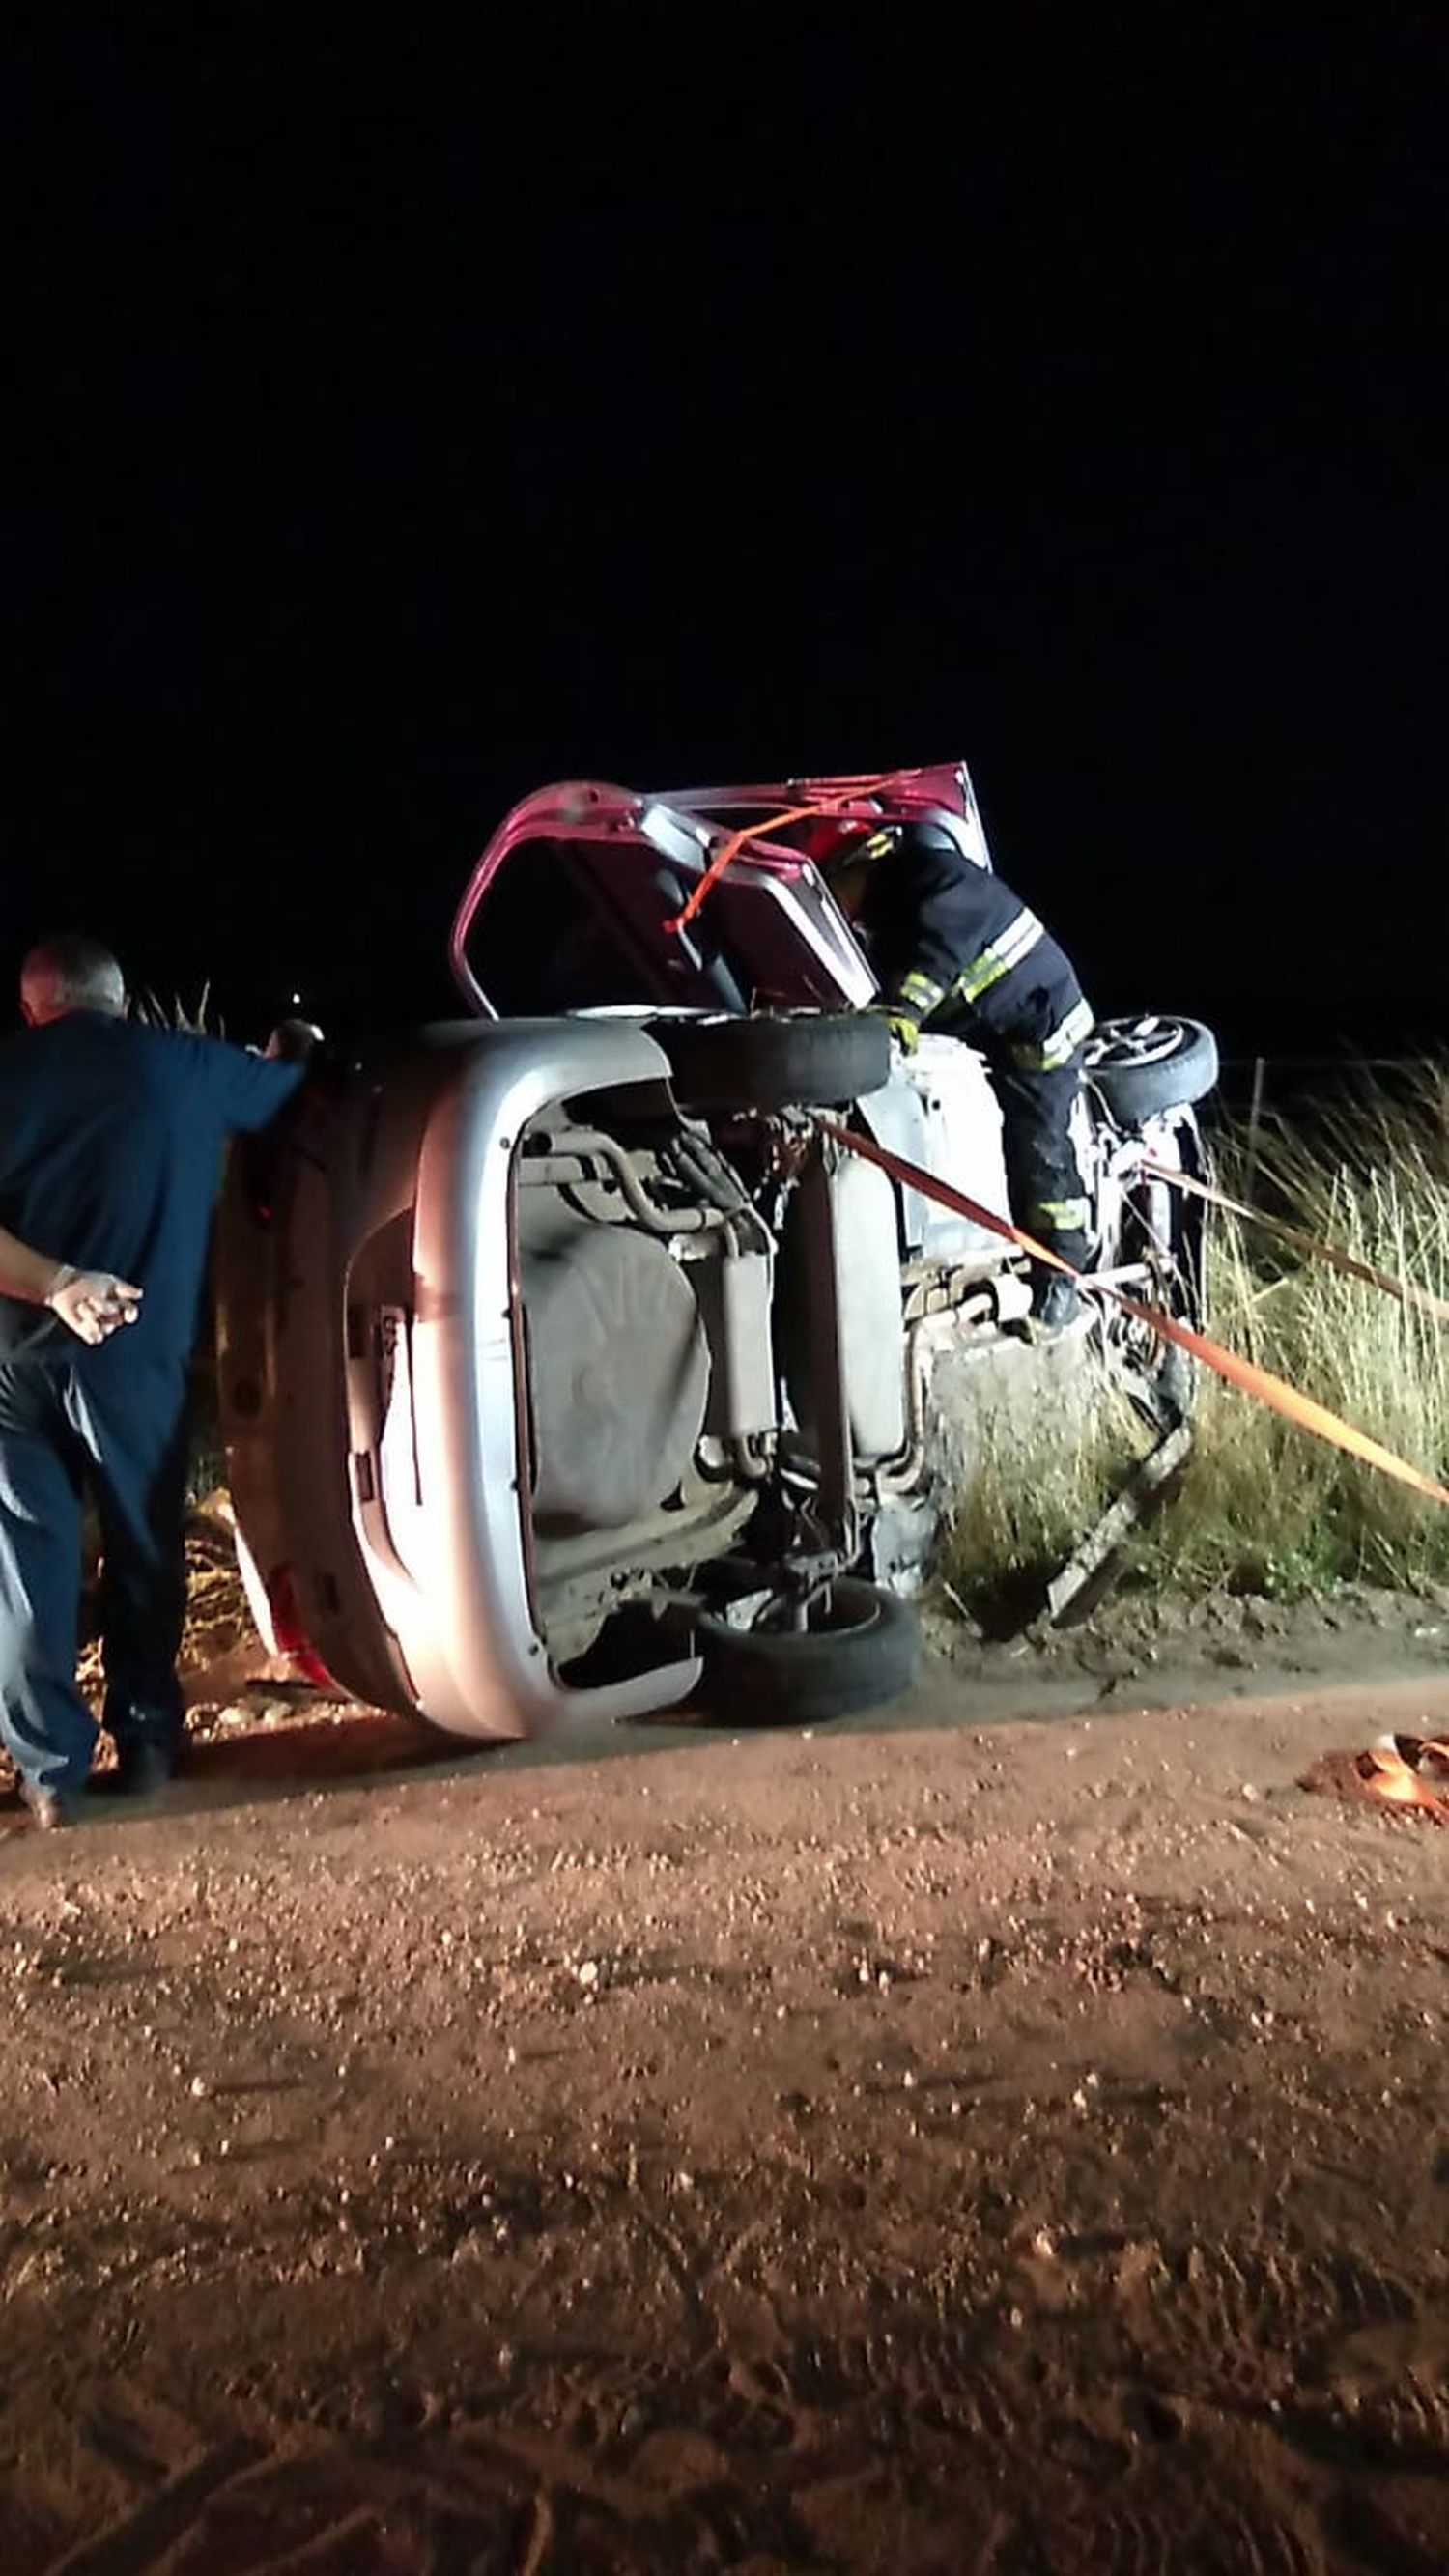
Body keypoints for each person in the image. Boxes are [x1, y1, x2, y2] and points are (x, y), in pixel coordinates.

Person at [0, 935, 307, 1829]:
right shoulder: (180, 1065)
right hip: (134, 1355)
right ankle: (144, 1743)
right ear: (121, 1000)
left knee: (27, 1564)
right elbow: (291, 1092)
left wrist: (56, 1285)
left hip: (13, 1363)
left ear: (32, 1007)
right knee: (144, 1550)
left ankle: (50, 1772)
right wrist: (293, 1046)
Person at [825, 812, 1095, 1330]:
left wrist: (897, 1016)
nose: (837, 900)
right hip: (999, 1026)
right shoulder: (893, 906)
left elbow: (931, 963)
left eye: (836, 883)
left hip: (1042, 1029)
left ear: (867, 860)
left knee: (1039, 1148)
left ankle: (1062, 1278)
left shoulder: (939, 883)